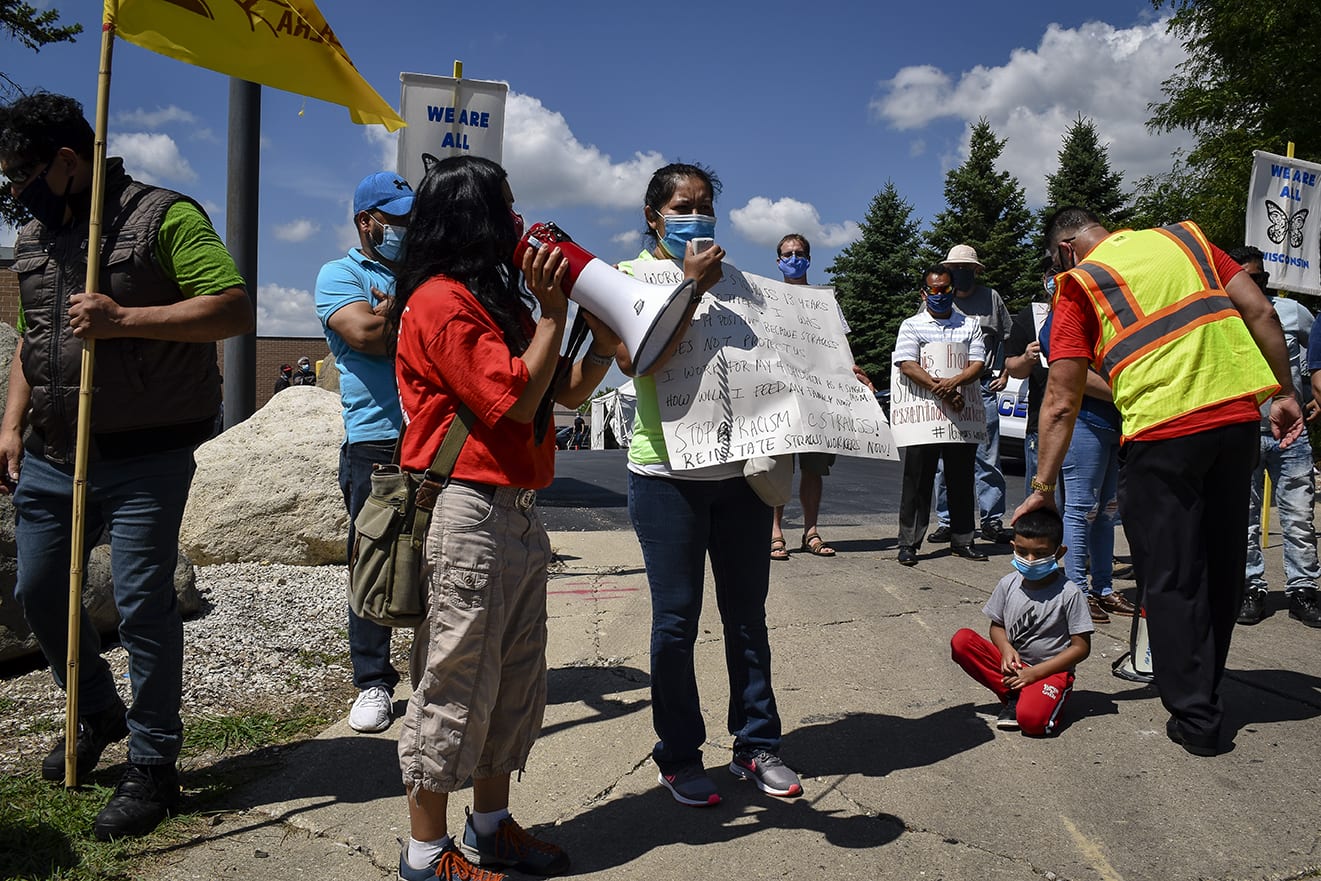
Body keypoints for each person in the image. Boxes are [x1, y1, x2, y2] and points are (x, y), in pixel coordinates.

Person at [0, 92, 253, 838]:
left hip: (149, 450)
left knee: (143, 604)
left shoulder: (164, 217)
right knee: (39, 589)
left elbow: (233, 308)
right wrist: (10, 424)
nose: (14, 192)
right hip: (53, 451)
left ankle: (153, 763)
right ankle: (98, 712)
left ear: (66, 161)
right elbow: (33, 339)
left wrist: (123, 319)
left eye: (21, 176)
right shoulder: (34, 237)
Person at [390, 156, 618, 880]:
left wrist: (599, 338)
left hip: (515, 511)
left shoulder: (497, 302)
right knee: (455, 680)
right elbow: (514, 400)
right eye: (506, 208)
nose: (519, 224)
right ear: (473, 217)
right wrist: (552, 315)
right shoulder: (439, 301)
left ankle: (489, 828)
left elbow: (565, 393)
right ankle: (426, 854)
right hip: (467, 511)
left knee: (514, 678)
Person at [1017, 207, 1302, 757]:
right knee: (1222, 564)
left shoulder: (1080, 284)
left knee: (1172, 575)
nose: (1057, 273)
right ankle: (1207, 687)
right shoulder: (1188, 241)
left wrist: (1043, 488)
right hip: (1235, 424)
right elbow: (1261, 311)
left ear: (1067, 249)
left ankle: (1197, 717)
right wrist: (1283, 392)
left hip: (1162, 434)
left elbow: (1061, 399)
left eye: (1054, 262)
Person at [617, 162, 803, 807]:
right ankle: (678, 754)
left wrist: (831, 376)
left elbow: (771, 361)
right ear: (654, 217)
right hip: (665, 477)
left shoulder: (741, 284)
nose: (697, 217)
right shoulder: (628, 278)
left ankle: (757, 744)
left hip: (739, 476)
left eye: (706, 207)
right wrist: (691, 288)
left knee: (747, 617)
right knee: (676, 623)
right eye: (683, 207)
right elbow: (637, 361)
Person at [315, 171, 413, 734]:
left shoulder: (422, 274)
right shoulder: (340, 274)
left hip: (433, 437)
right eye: (396, 220)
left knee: (438, 561)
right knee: (373, 563)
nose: (406, 229)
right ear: (366, 222)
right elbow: (368, 337)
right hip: (375, 440)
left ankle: (433, 670)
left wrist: (394, 310)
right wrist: (401, 315)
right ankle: (373, 681)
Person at [1229, 247, 1321, 627]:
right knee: (1244, 519)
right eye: (1245, 278)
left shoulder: (1293, 312)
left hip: (1290, 436)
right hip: (1243, 431)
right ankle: (1250, 587)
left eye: (1259, 278)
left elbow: (1315, 354)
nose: (1254, 285)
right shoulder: (1222, 315)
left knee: (1298, 517)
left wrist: (1314, 395)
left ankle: (1304, 589)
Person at [950, 508, 1092, 735]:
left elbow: (1081, 647)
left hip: (1050, 671)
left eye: (1040, 553)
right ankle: (1015, 694)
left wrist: (1035, 673)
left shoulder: (1070, 593)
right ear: (1013, 547)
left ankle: (1035, 696)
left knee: (1032, 723)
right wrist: (1005, 648)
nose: (1030, 560)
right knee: (962, 641)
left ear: (1059, 552)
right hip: (1014, 667)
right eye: (1023, 552)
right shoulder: (1008, 583)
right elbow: (997, 626)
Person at [767, 233, 859, 560]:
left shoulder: (825, 301)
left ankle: (811, 531)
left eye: (799, 253)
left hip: (819, 396)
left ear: (808, 258)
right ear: (778, 261)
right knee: (778, 468)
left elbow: (840, 347)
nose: (794, 259)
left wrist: (853, 376)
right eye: (787, 254)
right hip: (780, 395)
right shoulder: (767, 299)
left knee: (814, 467)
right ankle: (775, 532)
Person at [893, 265, 990, 566]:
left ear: (953, 289)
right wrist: (944, 390)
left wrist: (954, 382)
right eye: (934, 290)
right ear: (924, 293)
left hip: (961, 416)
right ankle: (909, 542)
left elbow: (977, 363)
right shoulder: (912, 325)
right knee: (917, 480)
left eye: (945, 289)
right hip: (925, 417)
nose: (940, 294)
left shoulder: (969, 325)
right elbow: (907, 364)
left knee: (961, 478)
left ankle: (963, 539)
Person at [930, 244, 1014, 545]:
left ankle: (991, 520)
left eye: (966, 269)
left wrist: (1005, 372)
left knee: (987, 457)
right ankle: (947, 520)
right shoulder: (940, 297)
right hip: (945, 388)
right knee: (945, 460)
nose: (961, 273)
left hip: (982, 386)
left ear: (976, 271)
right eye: (956, 269)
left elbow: (1008, 337)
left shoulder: (991, 298)